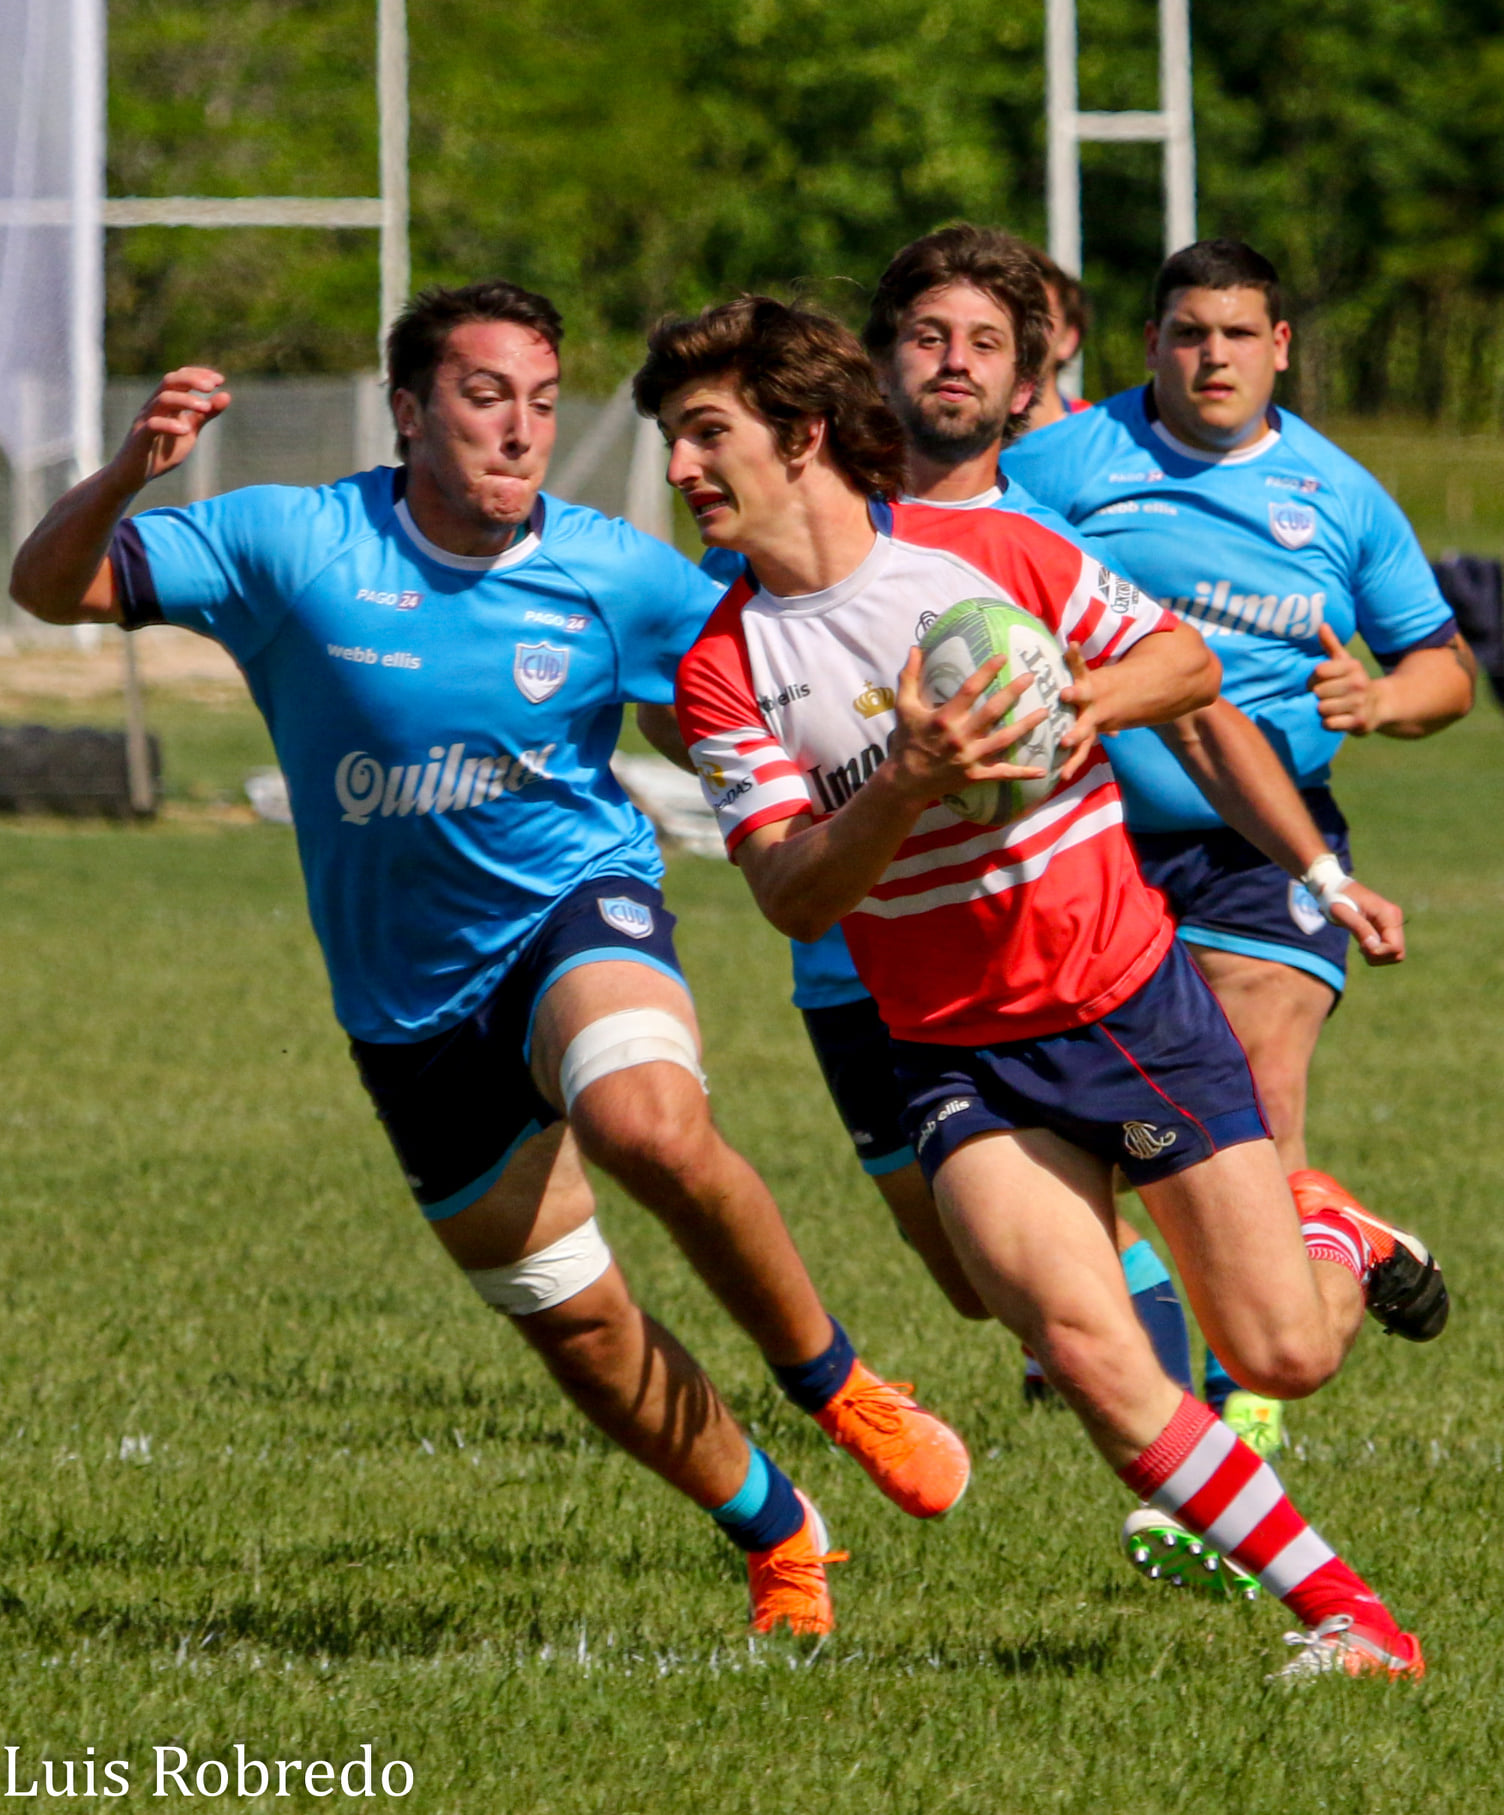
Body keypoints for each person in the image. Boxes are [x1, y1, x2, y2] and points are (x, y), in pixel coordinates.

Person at [8, 279, 973, 1641]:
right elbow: (50, 587)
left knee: (645, 1118)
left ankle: (837, 1380)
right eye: (483, 397)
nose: (521, 430)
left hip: (574, 913)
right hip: (406, 1007)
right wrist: (125, 474)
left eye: (538, 399)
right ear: (409, 412)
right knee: (572, 1323)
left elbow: (767, 686)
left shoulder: (619, 572)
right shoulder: (290, 541)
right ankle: (780, 1530)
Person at [645, 293, 1442, 1678]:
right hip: (953, 1048)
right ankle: (1354, 1621)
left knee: (1283, 1352)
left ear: (805, 431)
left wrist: (1078, 703)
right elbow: (790, 890)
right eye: (673, 438)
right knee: (1083, 1347)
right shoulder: (724, 670)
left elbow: (1184, 663)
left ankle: (1337, 1235)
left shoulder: (990, 549)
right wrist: (912, 775)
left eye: (706, 433)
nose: (680, 470)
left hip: (1123, 1009)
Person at [999, 236, 1472, 1424]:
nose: (1213, 357)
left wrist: (1383, 700)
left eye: (1237, 335)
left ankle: (1239, 1410)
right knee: (1083, 1123)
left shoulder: (1336, 492)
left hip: (1270, 843)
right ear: (1150, 342)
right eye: (1188, 334)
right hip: (1085, 836)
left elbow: (1444, 667)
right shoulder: (1057, 467)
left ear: (1280, 347)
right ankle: (1318, 1245)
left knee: (1252, 1109)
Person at [1017, 243, 1092, 430]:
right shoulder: (947, 440)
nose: (1019, 329)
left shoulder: (1099, 440)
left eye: (1036, 317)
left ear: (1068, 340)